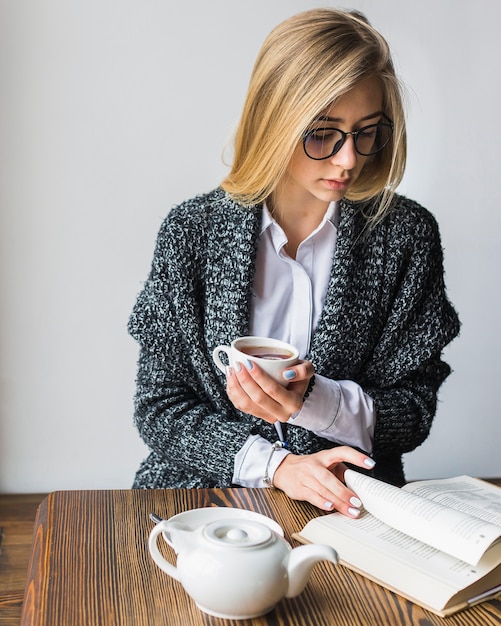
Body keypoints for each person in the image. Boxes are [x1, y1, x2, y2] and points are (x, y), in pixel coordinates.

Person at [128, 8, 460, 518]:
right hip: (202, 499)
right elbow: (160, 407)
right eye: (323, 133)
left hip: (349, 506)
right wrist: (277, 466)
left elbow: (413, 410)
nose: (349, 159)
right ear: (274, 120)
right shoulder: (191, 233)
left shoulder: (405, 237)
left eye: (367, 132)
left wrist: (313, 401)